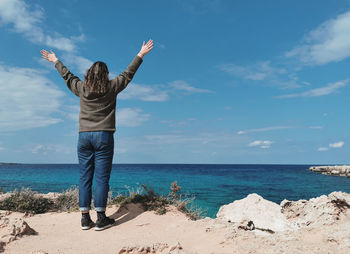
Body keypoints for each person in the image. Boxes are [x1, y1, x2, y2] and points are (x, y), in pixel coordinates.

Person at [40, 39, 154, 231]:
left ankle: (85, 219)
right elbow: (128, 74)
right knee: (101, 178)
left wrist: (55, 60)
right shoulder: (112, 87)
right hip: (104, 136)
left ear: (89, 74)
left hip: (83, 137)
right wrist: (140, 54)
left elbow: (68, 76)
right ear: (106, 75)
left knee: (85, 177)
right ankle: (101, 218)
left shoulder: (82, 89)